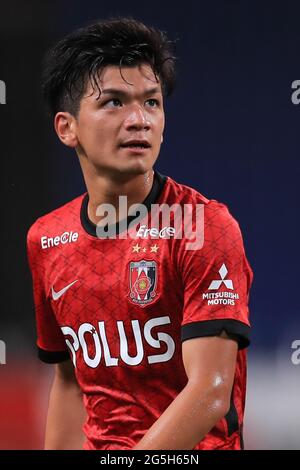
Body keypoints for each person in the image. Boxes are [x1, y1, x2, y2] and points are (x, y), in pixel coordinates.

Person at [27, 17, 253, 450]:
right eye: (113, 102)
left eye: (151, 103)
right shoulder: (46, 238)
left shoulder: (205, 228)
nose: (138, 120)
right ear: (67, 128)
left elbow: (209, 392)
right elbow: (71, 382)